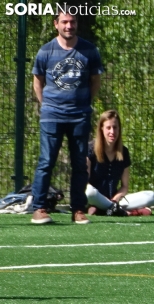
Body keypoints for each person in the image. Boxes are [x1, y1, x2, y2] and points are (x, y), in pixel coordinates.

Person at [30, 10, 102, 225]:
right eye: (64, 22)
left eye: (72, 22)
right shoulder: (46, 51)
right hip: (52, 116)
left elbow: (95, 81)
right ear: (56, 24)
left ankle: (78, 210)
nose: (68, 26)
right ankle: (39, 208)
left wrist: (85, 103)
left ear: (76, 23)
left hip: (80, 116)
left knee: (80, 164)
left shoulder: (89, 50)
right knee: (46, 162)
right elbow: (37, 81)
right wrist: (47, 106)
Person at [85, 110, 154, 217]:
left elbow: (125, 187)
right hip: (94, 198)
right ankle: (125, 213)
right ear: (101, 129)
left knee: (151, 196)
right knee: (89, 192)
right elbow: (85, 183)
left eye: (115, 127)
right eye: (108, 128)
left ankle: (107, 209)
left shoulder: (124, 152)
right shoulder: (90, 149)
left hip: (115, 200)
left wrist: (114, 200)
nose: (112, 132)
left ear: (119, 129)